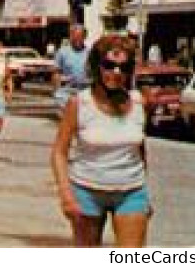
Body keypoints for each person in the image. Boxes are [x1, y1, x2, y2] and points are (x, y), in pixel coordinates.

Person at [51, 35, 151, 248]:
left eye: (123, 68)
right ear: (97, 66)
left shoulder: (138, 101)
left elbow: (139, 149)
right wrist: (66, 194)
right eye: (109, 65)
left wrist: (144, 192)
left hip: (131, 191)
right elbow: (59, 152)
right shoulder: (79, 103)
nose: (116, 73)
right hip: (87, 191)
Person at [53, 25, 92, 111]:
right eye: (74, 37)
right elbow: (56, 73)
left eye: (80, 37)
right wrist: (57, 87)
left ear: (84, 37)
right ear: (71, 36)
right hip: (67, 91)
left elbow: (95, 73)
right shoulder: (62, 52)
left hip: (84, 91)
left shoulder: (90, 53)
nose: (77, 40)